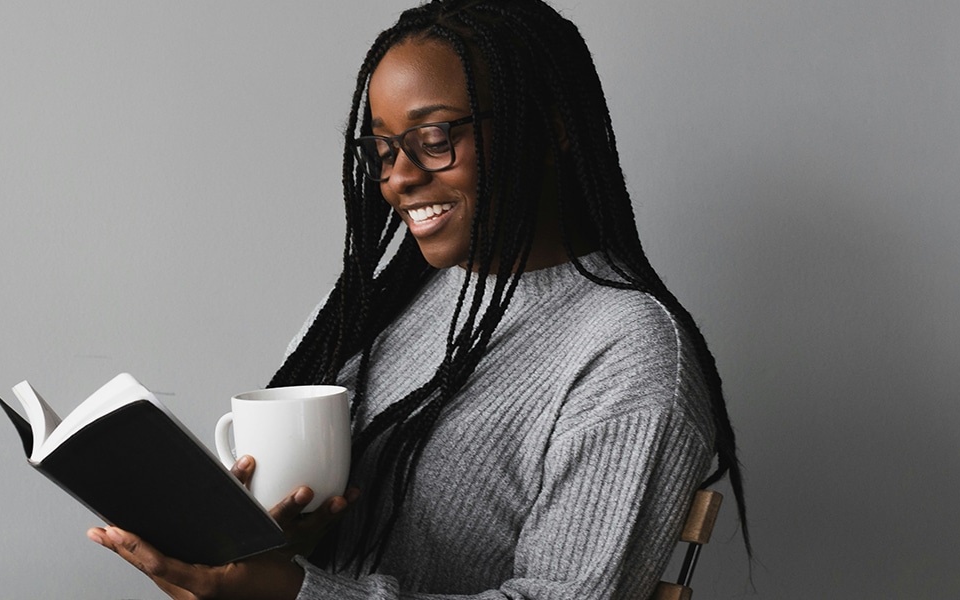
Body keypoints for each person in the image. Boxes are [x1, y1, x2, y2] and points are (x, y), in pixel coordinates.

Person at [88, 0, 751, 597]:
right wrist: (256, 553)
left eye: (435, 138)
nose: (397, 178)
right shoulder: (380, 303)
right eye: (381, 148)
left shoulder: (627, 352)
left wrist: (293, 595)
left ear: (550, 128)